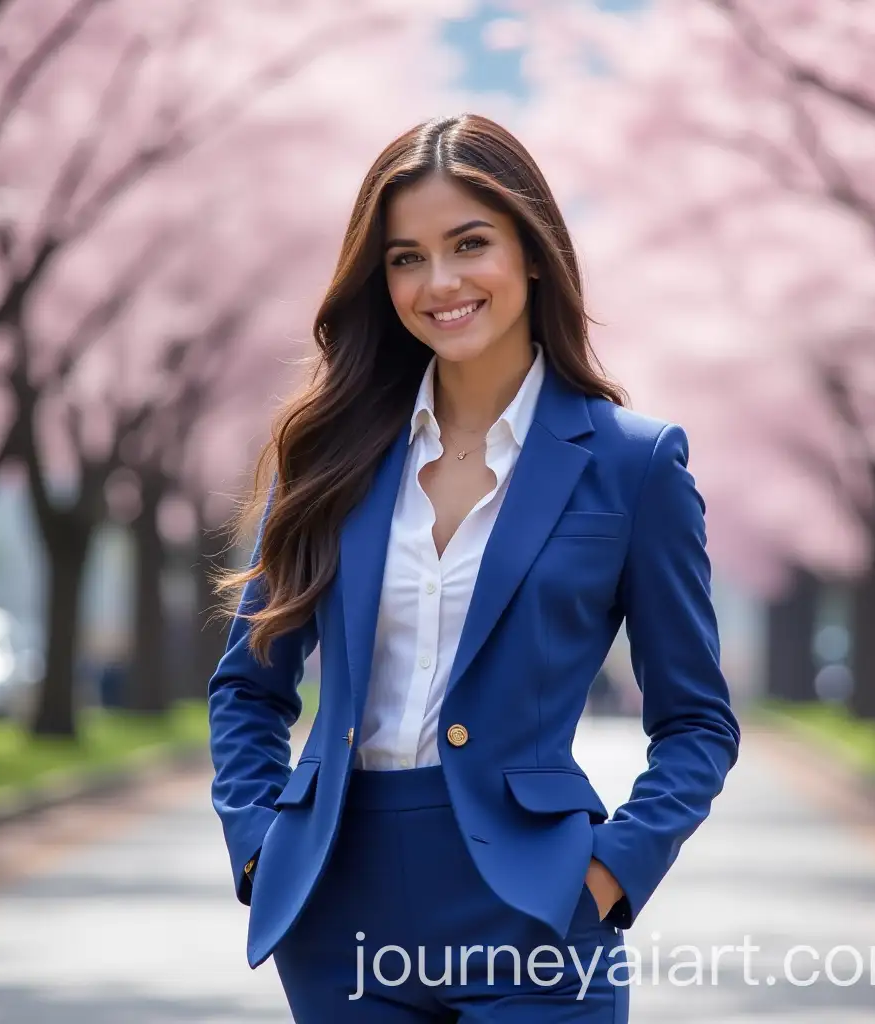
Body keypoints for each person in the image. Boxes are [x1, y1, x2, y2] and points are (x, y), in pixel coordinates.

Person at [207, 112, 740, 1022]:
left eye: (469, 244)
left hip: (537, 917)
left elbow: (696, 723)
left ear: (533, 253)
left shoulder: (633, 465)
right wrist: (259, 847)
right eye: (406, 257)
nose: (439, 282)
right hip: (340, 915)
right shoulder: (328, 455)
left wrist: (612, 875)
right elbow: (249, 689)